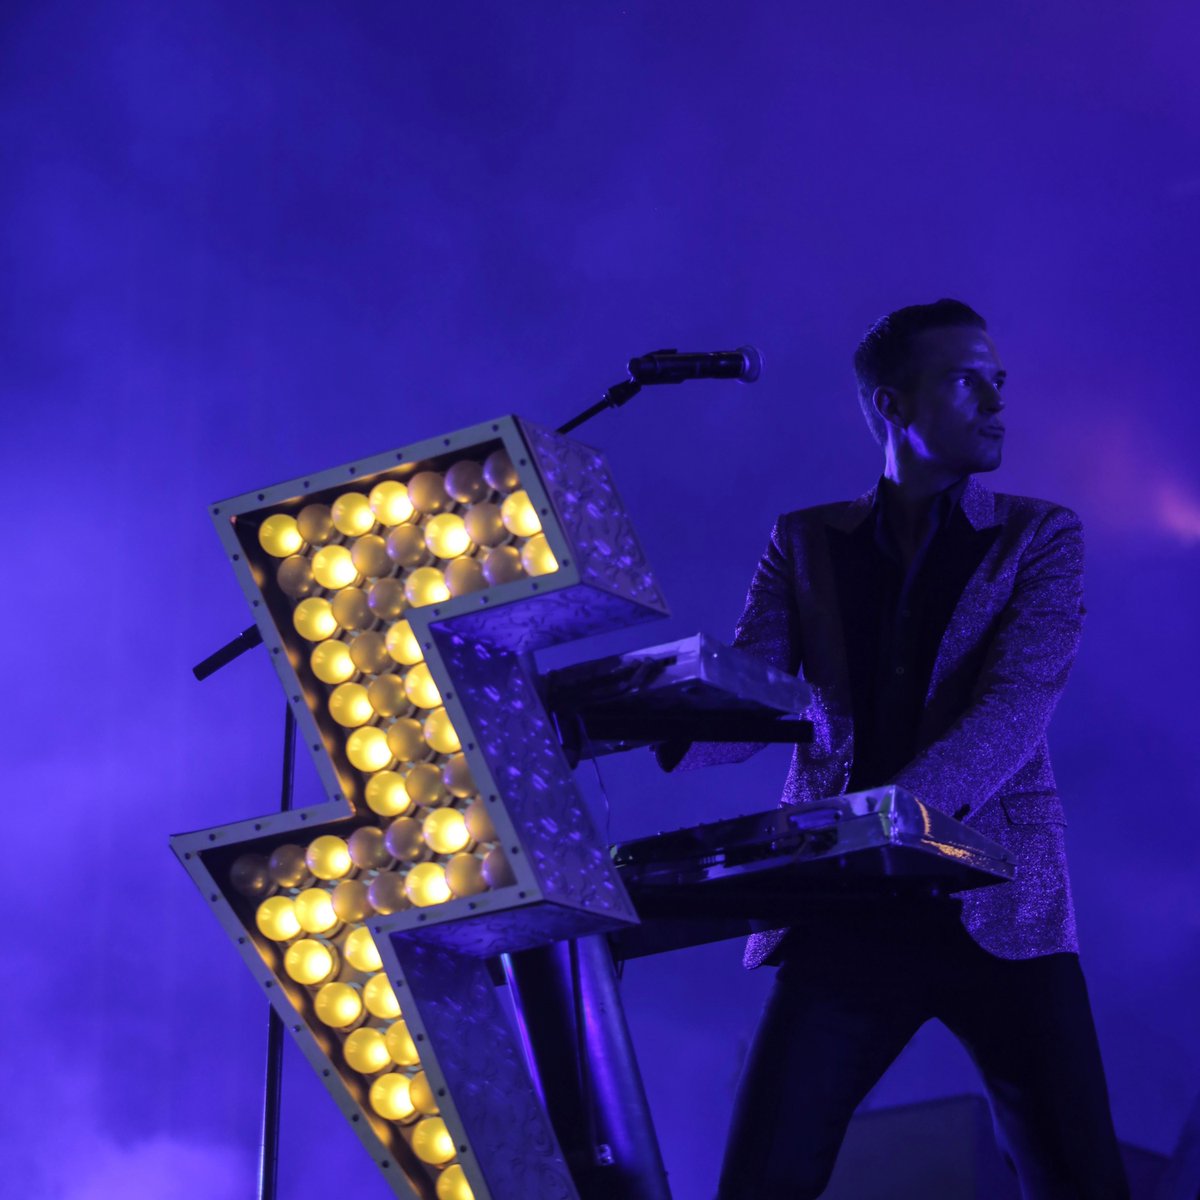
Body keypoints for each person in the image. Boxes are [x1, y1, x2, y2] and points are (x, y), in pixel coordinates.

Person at [661, 300, 1128, 1199]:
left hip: (999, 901)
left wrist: (881, 819)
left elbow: (1014, 710)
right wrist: (640, 712)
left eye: (999, 380)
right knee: (760, 1181)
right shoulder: (804, 540)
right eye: (966, 379)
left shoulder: (1041, 535)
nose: (995, 401)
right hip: (848, 910)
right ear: (892, 404)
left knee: (1081, 1183)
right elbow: (758, 694)